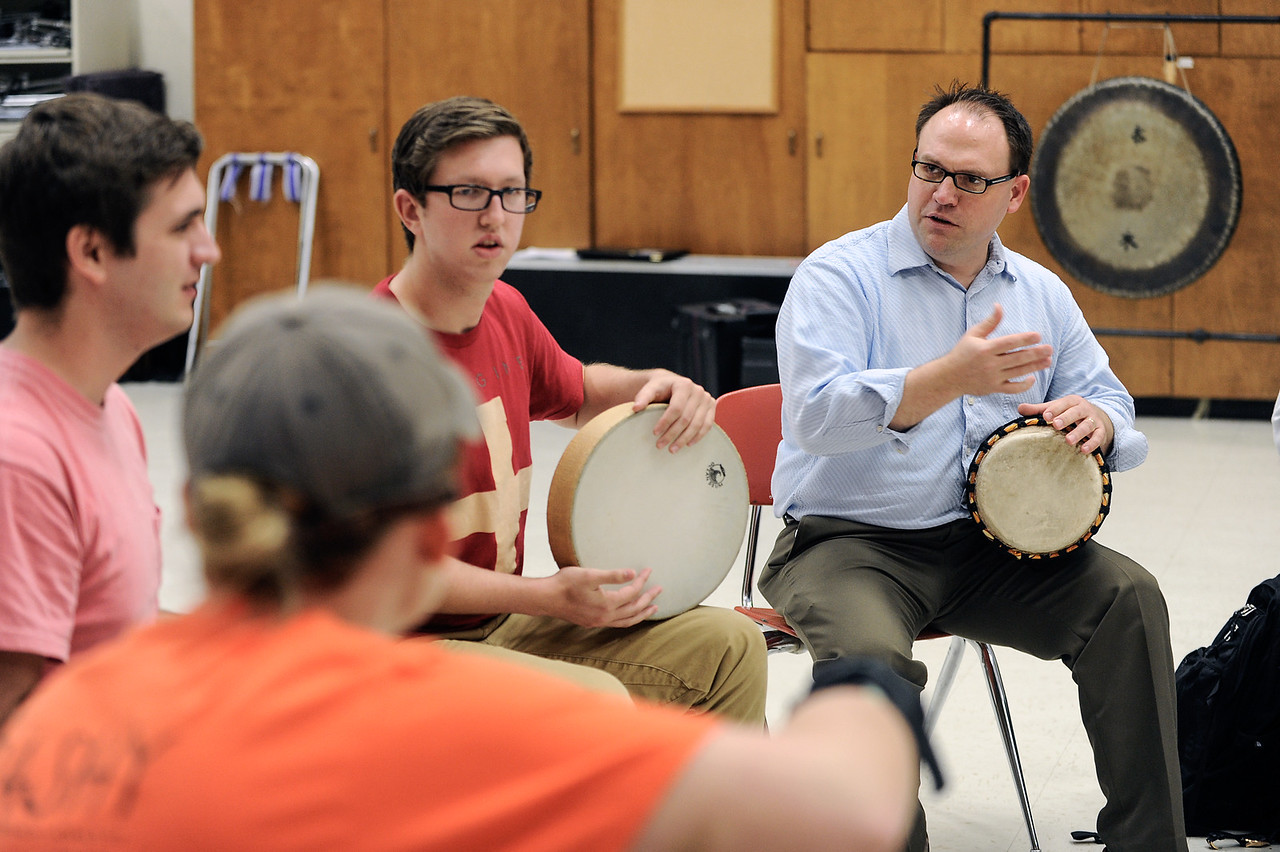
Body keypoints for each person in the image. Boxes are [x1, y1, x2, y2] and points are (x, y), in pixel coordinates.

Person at [0, 287, 925, 851]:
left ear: (198, 501)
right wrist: (867, 694)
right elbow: (834, 814)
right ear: (416, 532)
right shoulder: (455, 727)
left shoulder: (71, 713)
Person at [760, 81, 1184, 852]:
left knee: (1128, 597)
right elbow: (813, 418)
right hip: (847, 545)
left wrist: (1098, 421)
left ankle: (1149, 843)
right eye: (929, 170)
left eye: (971, 180)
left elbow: (1114, 404)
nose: (941, 194)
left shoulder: (1040, 294)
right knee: (870, 666)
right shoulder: (839, 275)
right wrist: (944, 379)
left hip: (989, 552)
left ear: (1015, 192)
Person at [373, 95, 766, 722]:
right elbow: (387, 574)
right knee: (594, 702)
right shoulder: (368, 358)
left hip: (500, 625)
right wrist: (546, 598)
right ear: (410, 208)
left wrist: (660, 381)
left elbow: (579, 391)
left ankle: (729, 820)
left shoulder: (505, 309)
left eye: (512, 192)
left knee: (730, 645)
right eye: (470, 193)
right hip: (401, 651)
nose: (496, 216)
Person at [0, 93, 220, 725]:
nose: (209, 252)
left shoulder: (110, 405)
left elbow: (113, 632)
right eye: (183, 227)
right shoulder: (20, 458)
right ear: (92, 253)